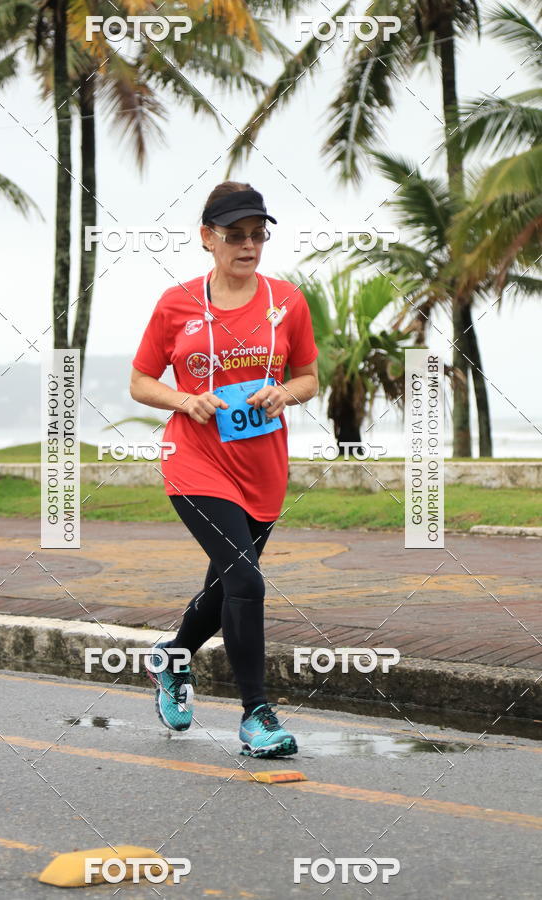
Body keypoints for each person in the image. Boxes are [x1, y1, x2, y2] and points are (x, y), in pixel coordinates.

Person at [129, 181, 319, 757]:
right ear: (207, 238)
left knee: (224, 586)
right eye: (234, 235)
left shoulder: (287, 300)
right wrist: (186, 401)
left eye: (257, 234)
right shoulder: (176, 303)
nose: (247, 244)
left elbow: (310, 378)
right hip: (195, 462)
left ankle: (171, 657)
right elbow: (140, 382)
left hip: (262, 469)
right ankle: (256, 716)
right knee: (245, 580)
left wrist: (284, 393)